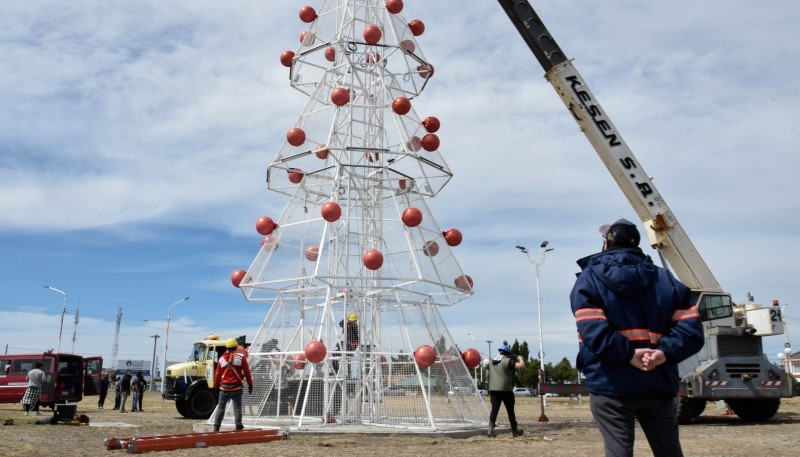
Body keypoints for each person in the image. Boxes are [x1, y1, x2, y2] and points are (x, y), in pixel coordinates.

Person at [570, 218, 704, 457]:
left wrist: (629, 355)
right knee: (669, 451)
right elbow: (691, 331)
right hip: (659, 383)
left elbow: (593, 330)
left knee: (618, 451)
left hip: (611, 385)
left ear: (606, 244)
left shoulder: (589, 280)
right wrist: (663, 353)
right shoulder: (666, 280)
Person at [212, 337, 254, 432]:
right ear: (235, 347)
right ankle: (238, 425)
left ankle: (216, 427)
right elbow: (247, 372)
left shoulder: (221, 359)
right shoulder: (241, 358)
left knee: (220, 408)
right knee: (238, 408)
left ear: (227, 347)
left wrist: (216, 386)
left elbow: (217, 375)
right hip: (236, 388)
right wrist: (250, 385)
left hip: (224, 388)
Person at [486, 344, 525, 438]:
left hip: (493, 389)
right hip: (506, 389)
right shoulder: (508, 360)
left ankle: (490, 429)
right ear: (508, 354)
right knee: (510, 410)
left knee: (494, 409)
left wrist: (490, 383)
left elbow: (487, 374)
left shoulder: (491, 361)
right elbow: (521, 366)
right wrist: (521, 358)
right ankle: (515, 430)